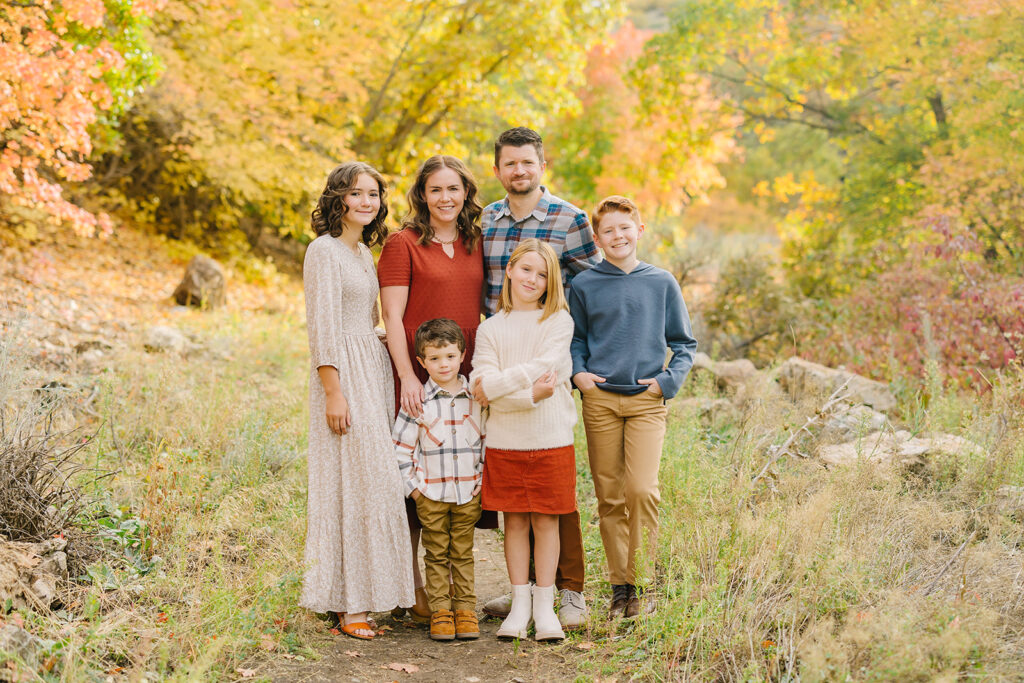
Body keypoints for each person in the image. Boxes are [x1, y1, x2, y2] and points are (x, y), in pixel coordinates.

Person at [480, 127, 598, 628]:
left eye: (528, 162)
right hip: (499, 342)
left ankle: (565, 591)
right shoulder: (486, 218)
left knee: (552, 493)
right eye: (510, 163)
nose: (519, 171)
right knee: (516, 500)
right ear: (498, 170)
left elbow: (594, 288)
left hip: (552, 353)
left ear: (541, 165)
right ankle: (521, 593)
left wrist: (588, 361)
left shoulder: (570, 219)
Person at [299, 162, 414, 640]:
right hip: (342, 373)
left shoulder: (364, 252)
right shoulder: (323, 252)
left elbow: (368, 318)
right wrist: (333, 391)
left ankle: (361, 595)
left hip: (372, 366)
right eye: (356, 193)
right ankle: (351, 606)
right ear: (337, 198)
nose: (367, 201)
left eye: (374, 194)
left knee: (374, 482)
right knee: (350, 482)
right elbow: (322, 326)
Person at [568, 196, 697, 618]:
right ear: (597, 238)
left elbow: (683, 344)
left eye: (625, 228)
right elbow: (577, 339)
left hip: (646, 401)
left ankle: (643, 582)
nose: (618, 236)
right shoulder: (585, 285)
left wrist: (665, 383)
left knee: (641, 490)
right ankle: (620, 587)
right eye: (608, 231)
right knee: (608, 495)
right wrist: (579, 374)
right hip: (601, 400)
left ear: (639, 230)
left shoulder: (661, 282)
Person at [378, 155, 494, 622]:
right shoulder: (402, 244)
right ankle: (413, 588)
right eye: (436, 190)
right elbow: (392, 318)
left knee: (455, 475)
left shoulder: (476, 242)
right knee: (415, 482)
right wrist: (408, 377)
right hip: (414, 376)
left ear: (466, 192)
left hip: (462, 381)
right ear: (422, 196)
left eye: (454, 188)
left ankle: (453, 592)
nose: (445, 198)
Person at [470, 239, 577, 641]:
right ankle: (519, 605)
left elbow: (545, 366)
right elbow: (480, 382)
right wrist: (530, 393)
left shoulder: (558, 322)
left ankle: (545, 607)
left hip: (551, 437)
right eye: (527, 269)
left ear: (551, 283)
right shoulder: (490, 328)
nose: (533, 279)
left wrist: (497, 388)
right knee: (514, 522)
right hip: (504, 440)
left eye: (543, 274)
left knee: (547, 521)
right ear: (510, 270)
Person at [393, 319, 484, 641]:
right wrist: (415, 491)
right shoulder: (417, 402)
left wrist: (481, 483)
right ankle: (441, 612)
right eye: (434, 358)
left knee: (462, 552)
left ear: (462, 355)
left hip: (467, 492)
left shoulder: (477, 396)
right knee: (435, 554)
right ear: (421, 362)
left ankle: (466, 611)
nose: (442, 364)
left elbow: (488, 441)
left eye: (449, 356)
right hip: (430, 494)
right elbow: (400, 450)